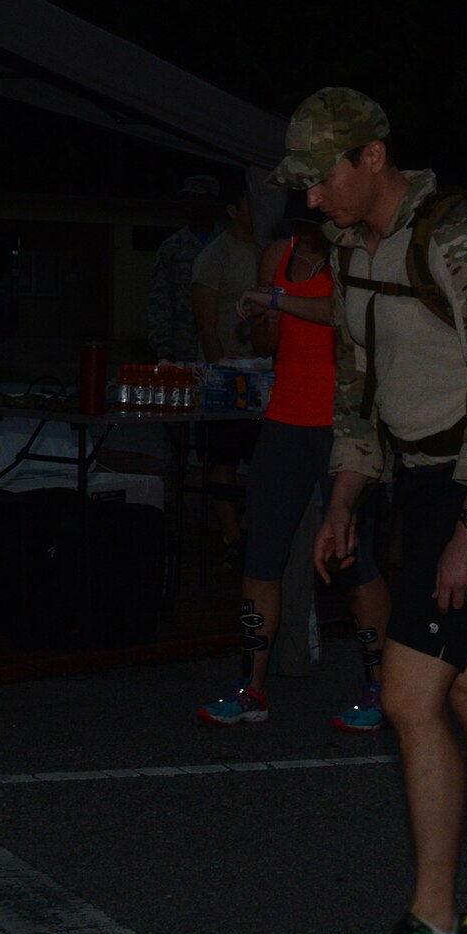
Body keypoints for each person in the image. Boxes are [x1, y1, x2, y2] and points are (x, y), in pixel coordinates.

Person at [273, 87, 467, 934]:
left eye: (322, 178)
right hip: (418, 487)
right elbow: (361, 387)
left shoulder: (459, 238)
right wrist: (347, 494)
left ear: (371, 155)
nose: (311, 200)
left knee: (407, 700)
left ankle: (434, 920)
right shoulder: (353, 252)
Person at [196, 219, 391, 731]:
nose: (315, 199)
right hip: (285, 421)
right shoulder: (278, 253)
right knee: (261, 556)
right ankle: (250, 689)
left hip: (344, 426)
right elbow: (266, 343)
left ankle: (381, 687)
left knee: (352, 560)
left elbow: (344, 314)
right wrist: (265, 315)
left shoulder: (357, 250)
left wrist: (276, 301)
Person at [191, 177, 264, 562]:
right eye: (250, 204)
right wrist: (221, 371)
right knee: (223, 458)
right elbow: (206, 325)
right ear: (234, 211)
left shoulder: (267, 250)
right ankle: (231, 536)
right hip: (225, 376)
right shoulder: (214, 256)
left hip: (264, 374)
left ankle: (255, 529)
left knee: (263, 456)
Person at [147, 175, 219, 363]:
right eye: (187, 197)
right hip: (182, 349)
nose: (190, 203)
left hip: (221, 348)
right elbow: (160, 301)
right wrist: (164, 350)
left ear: (211, 201)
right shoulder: (172, 247)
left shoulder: (226, 245)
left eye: (197, 197)